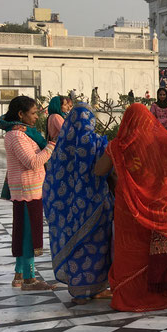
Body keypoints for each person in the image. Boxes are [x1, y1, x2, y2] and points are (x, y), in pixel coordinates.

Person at [95, 104, 167, 312]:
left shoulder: (119, 145)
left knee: (130, 254)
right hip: (163, 209)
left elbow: (99, 170)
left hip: (129, 210)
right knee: (153, 252)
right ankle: (157, 296)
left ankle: (128, 298)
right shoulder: (166, 142)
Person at [42, 104, 113, 302]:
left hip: (68, 207)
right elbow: (106, 168)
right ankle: (97, 288)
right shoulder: (96, 142)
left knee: (76, 245)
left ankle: (78, 290)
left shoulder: (63, 145)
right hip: (96, 204)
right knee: (96, 246)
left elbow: (54, 176)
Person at [0, 96, 57, 289]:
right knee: (28, 234)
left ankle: (19, 275)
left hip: (28, 189)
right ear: (20, 114)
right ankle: (29, 279)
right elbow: (32, 162)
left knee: (23, 231)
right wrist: (51, 145)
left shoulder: (21, 132)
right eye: (32, 114)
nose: (36, 118)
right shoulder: (16, 136)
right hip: (27, 190)